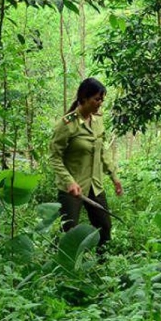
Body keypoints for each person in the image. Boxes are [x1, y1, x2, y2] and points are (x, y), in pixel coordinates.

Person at [50, 78, 123, 255]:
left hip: (95, 186)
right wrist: (69, 182)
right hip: (72, 187)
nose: (100, 103)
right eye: (97, 99)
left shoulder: (98, 122)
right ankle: (68, 270)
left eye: (101, 100)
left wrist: (114, 177)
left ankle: (102, 267)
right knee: (70, 231)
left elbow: (102, 151)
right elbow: (54, 157)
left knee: (104, 227)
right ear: (84, 98)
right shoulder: (67, 124)